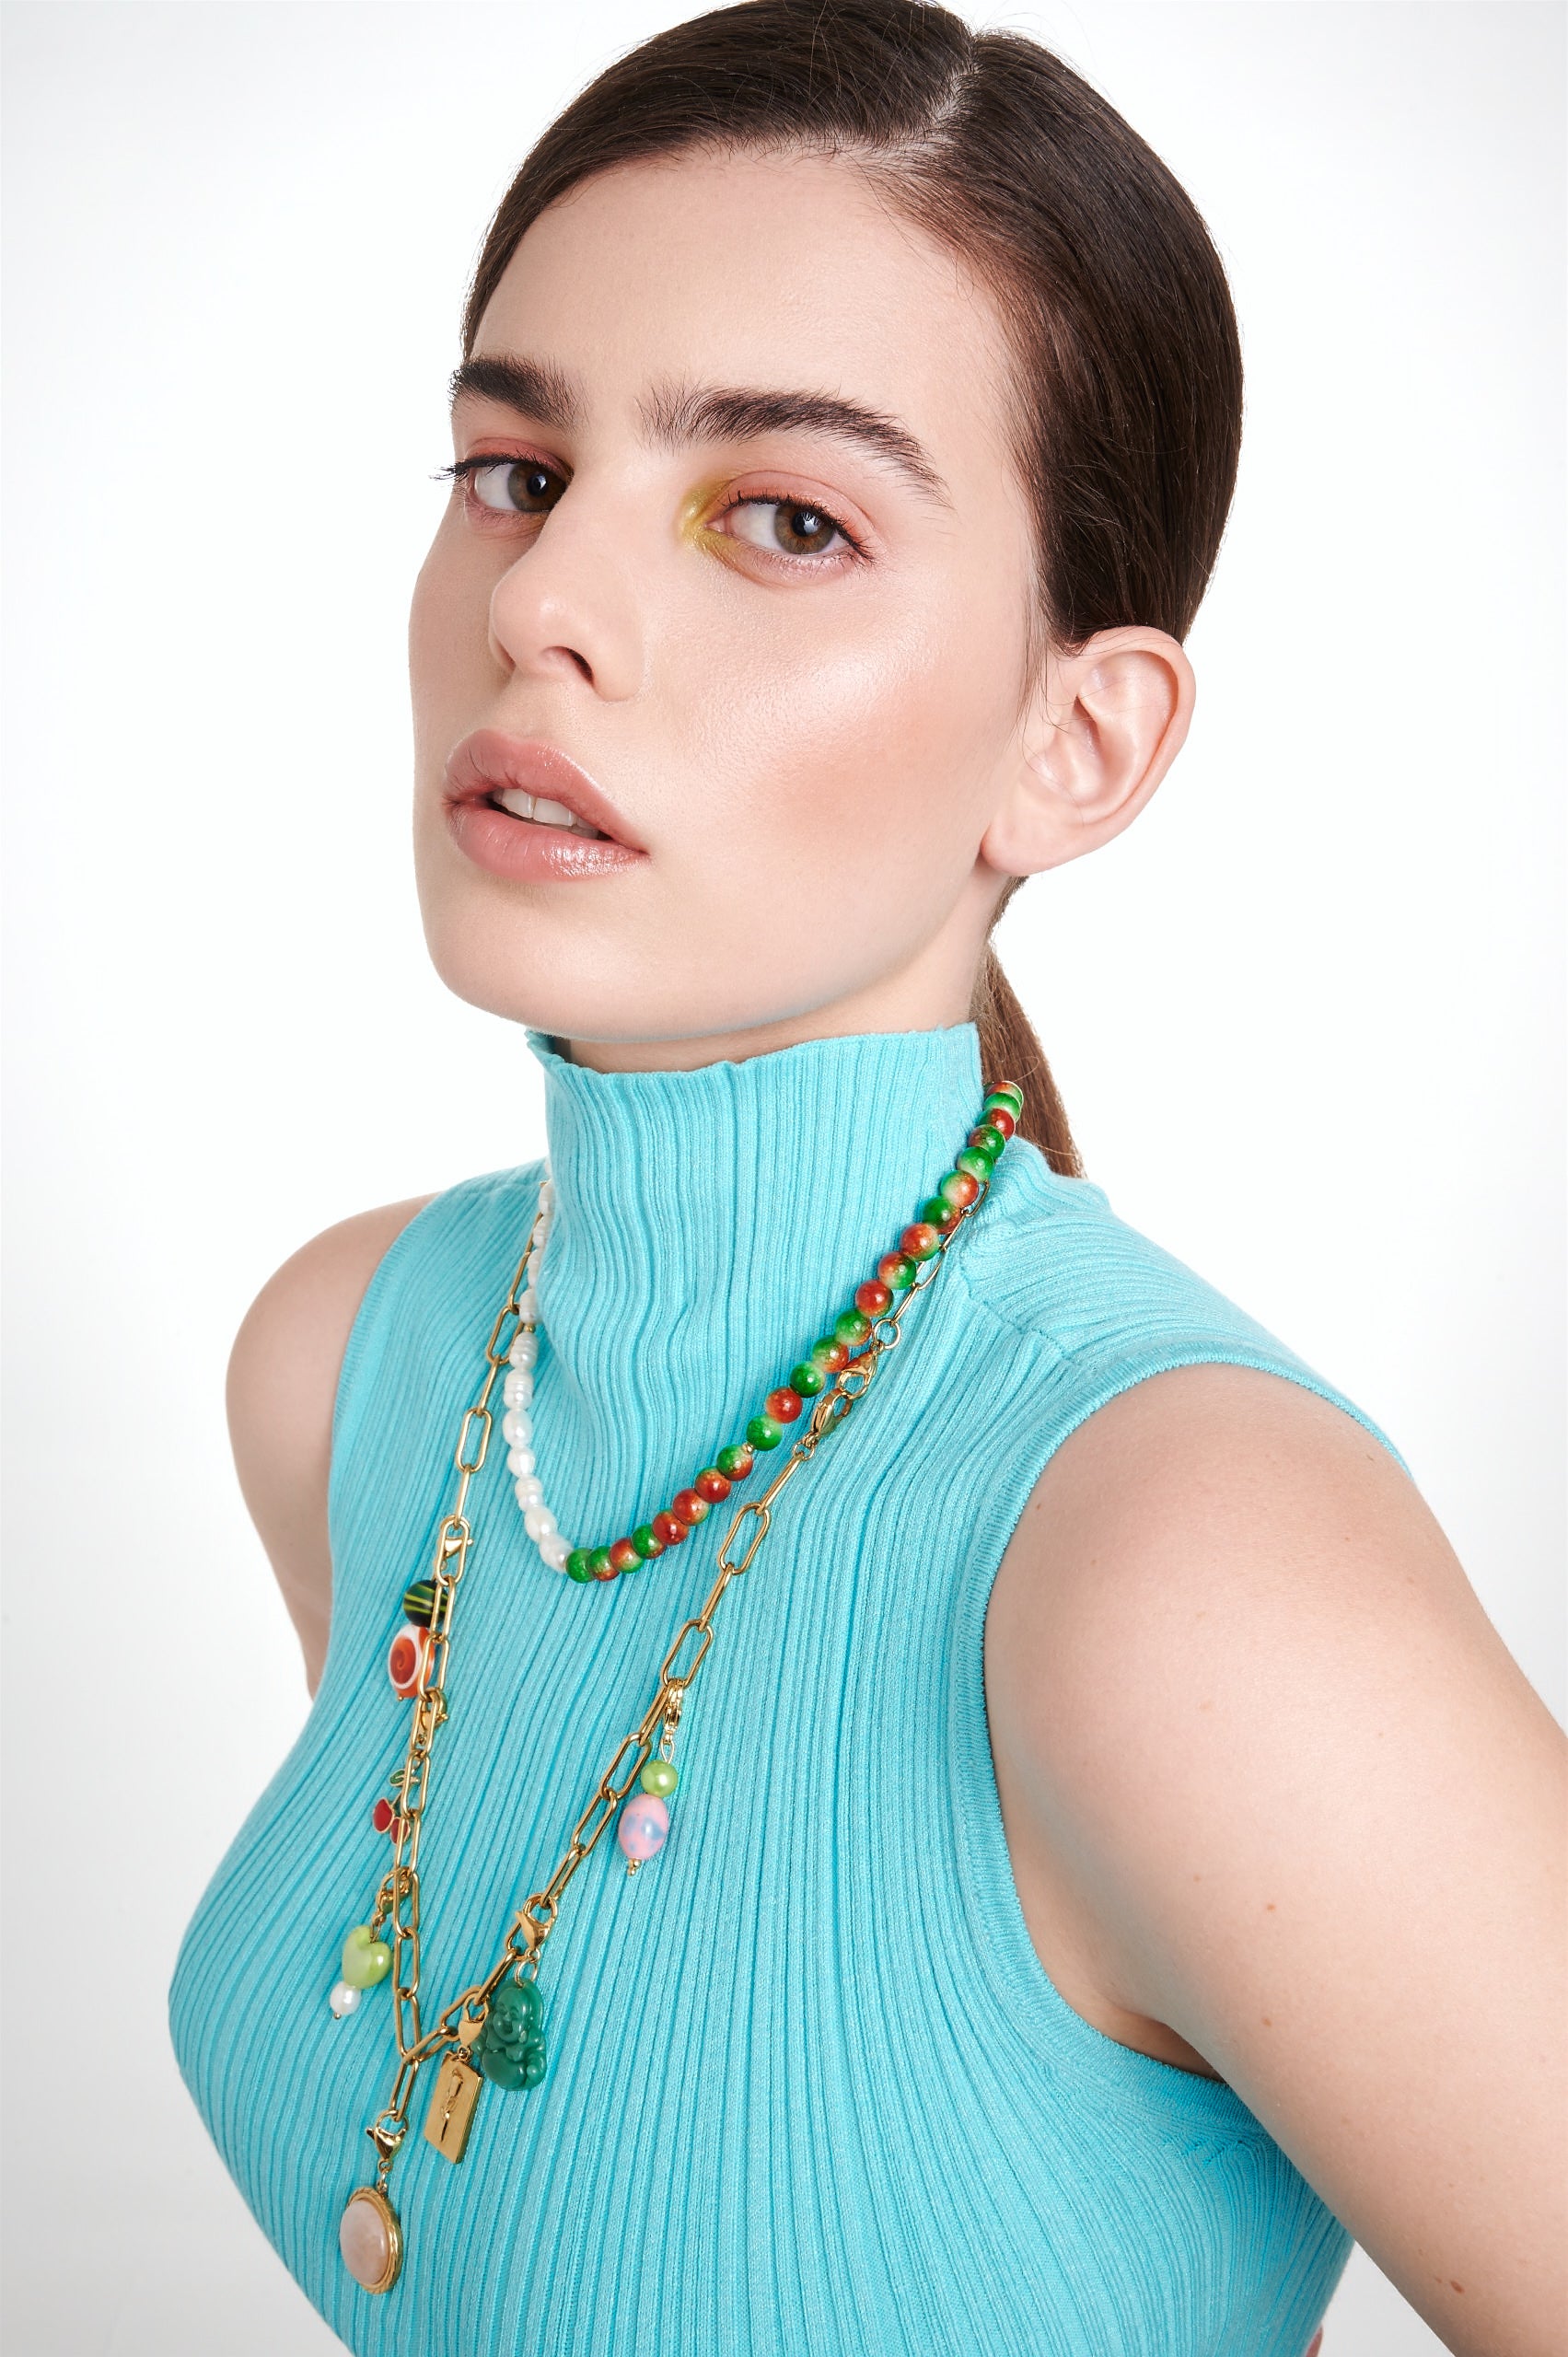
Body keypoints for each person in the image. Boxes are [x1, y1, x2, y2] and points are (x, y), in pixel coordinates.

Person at [167, 4, 1565, 2351]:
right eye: (517, 466)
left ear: (1078, 737)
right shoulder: (354, 1362)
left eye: (787, 520)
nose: (541, 600)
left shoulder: (1179, 1560)